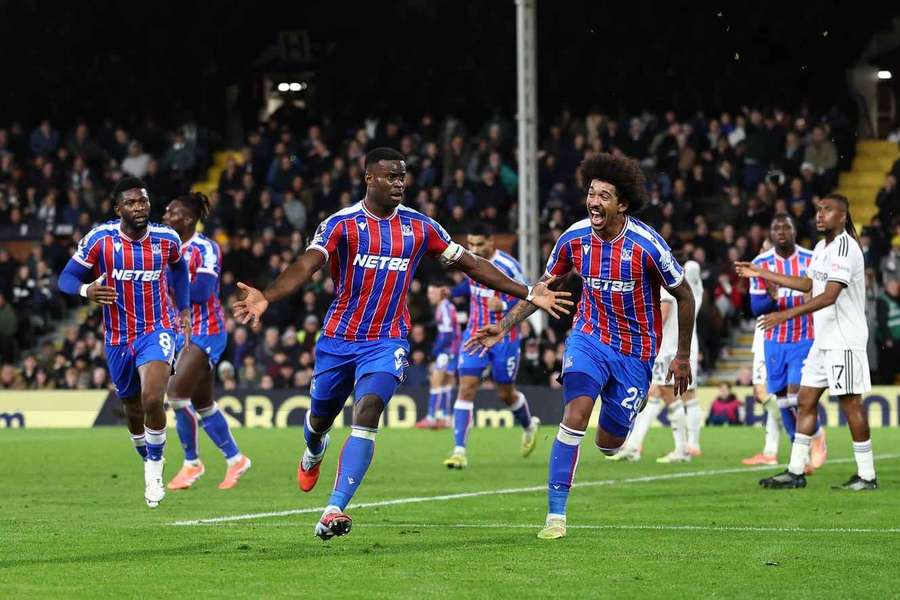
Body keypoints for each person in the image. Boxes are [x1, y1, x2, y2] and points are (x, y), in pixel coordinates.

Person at [233, 148, 572, 540]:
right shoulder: (341, 224)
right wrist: (268, 296)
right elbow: (305, 266)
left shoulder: (420, 227)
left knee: (369, 410)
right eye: (390, 176)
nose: (398, 183)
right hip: (338, 340)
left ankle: (334, 508)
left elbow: (472, 265)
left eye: (402, 176)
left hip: (387, 340)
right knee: (320, 418)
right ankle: (313, 448)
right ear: (368, 178)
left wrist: (528, 290)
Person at [466, 153, 695, 539]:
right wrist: (502, 326)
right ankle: (556, 517)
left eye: (604, 195)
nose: (594, 201)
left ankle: (622, 417)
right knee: (574, 415)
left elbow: (685, 297)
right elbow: (542, 289)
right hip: (588, 338)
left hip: (635, 352)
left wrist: (683, 357)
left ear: (622, 204)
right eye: (591, 193)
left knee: (609, 443)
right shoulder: (573, 239)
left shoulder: (648, 246)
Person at [57, 176, 190, 507]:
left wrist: (184, 308)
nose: (139, 207)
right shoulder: (100, 240)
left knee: (152, 398)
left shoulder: (166, 238)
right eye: (131, 203)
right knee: (132, 407)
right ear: (118, 208)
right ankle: (147, 456)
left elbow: (179, 269)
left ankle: (154, 473)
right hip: (118, 337)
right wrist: (85, 290)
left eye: (143, 201)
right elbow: (66, 277)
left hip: (157, 329)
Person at [736, 194, 877, 490]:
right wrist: (761, 271)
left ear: (843, 216)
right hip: (823, 340)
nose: (820, 215)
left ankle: (867, 475)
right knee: (804, 399)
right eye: (819, 210)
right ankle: (796, 471)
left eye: (828, 210)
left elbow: (828, 296)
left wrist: (784, 315)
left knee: (851, 403)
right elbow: (808, 284)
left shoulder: (845, 247)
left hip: (844, 339)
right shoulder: (822, 248)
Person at [162, 192, 251, 491]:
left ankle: (192, 463)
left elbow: (200, 292)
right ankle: (235, 458)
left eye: (171, 211)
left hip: (206, 331)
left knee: (175, 394)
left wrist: (162, 284)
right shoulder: (165, 249)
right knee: (203, 404)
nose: (164, 215)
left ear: (187, 219)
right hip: (181, 334)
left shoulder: (205, 248)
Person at [442, 224, 540, 469]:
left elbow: (530, 299)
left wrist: (504, 308)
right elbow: (469, 285)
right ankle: (459, 451)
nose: (474, 249)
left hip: (504, 338)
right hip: (475, 335)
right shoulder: (468, 261)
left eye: (479, 244)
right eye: (471, 244)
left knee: (505, 393)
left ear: (491, 242)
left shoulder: (509, 267)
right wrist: (451, 292)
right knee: (466, 389)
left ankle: (529, 425)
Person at [746, 214, 826, 473]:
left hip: (805, 336)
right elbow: (756, 307)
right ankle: (799, 454)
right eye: (776, 227)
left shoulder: (811, 259)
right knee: (781, 399)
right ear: (770, 233)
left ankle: (815, 435)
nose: (781, 231)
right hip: (773, 340)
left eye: (786, 227)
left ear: (794, 230)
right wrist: (770, 298)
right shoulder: (760, 264)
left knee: (795, 395)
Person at [608, 260, 703, 463]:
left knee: (667, 394)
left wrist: (642, 334)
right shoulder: (678, 285)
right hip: (668, 348)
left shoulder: (667, 287)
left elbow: (664, 314)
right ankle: (634, 445)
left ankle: (682, 450)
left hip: (666, 349)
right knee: (656, 394)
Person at [415, 282, 460, 430]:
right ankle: (446, 418)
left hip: (447, 350)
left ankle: (431, 417)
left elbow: (447, 333)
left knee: (436, 380)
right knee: (446, 383)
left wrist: (436, 350)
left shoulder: (444, 308)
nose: (430, 296)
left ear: (441, 293)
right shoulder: (446, 306)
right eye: (428, 293)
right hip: (454, 350)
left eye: (433, 293)